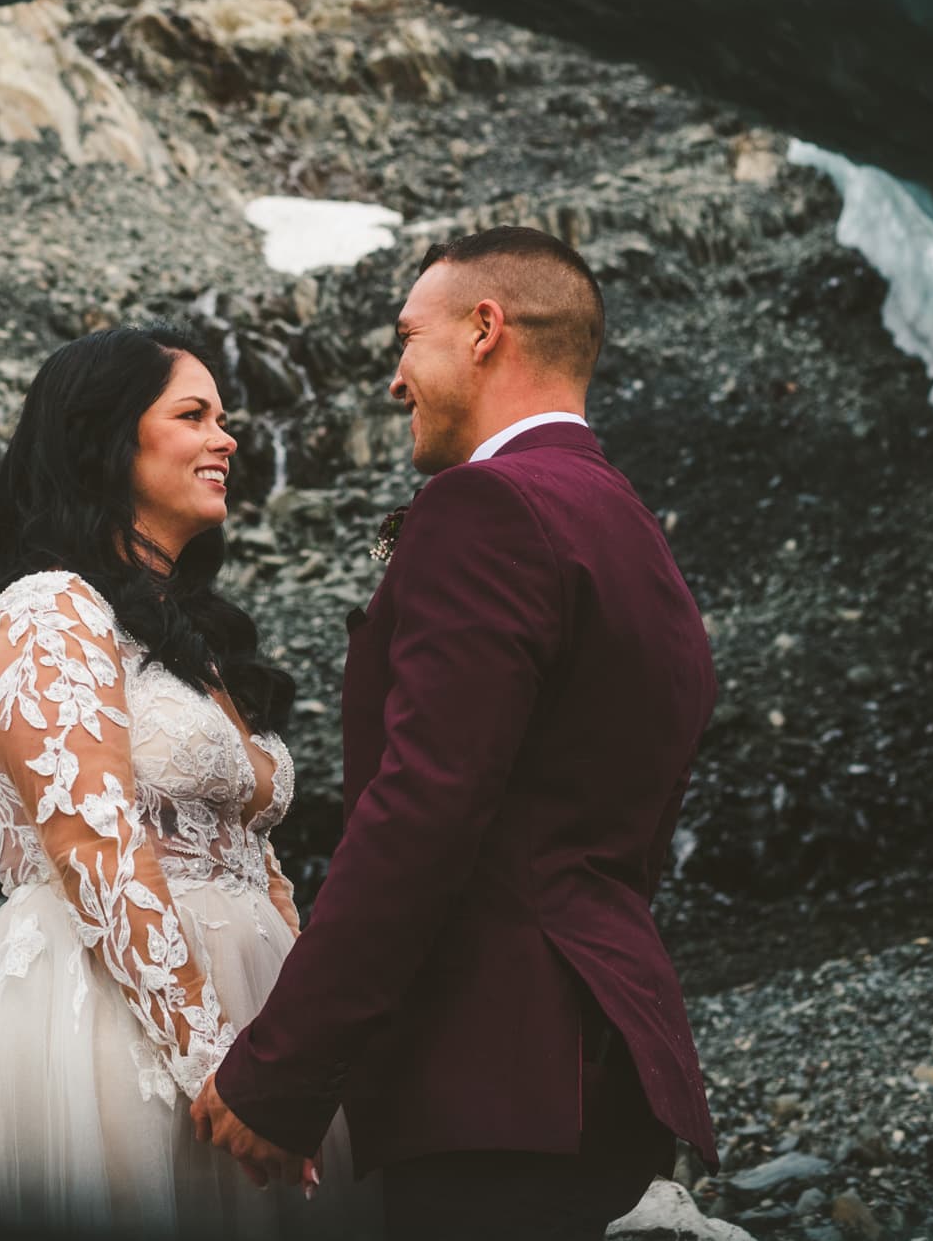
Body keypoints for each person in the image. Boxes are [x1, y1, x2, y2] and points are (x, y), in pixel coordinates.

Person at [192, 226, 721, 1240]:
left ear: (485, 330)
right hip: (603, 1051)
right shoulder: (624, 523)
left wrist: (283, 1074)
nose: (395, 381)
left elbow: (421, 811)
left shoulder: (484, 506)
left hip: (493, 1074)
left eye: (408, 339)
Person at [0, 326, 369, 1237]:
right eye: (194, 415)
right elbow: (95, 844)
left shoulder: (188, 635)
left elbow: (255, 853)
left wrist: (300, 1046)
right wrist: (215, 1065)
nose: (228, 439)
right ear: (105, 441)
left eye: (226, 418)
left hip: (255, 1013)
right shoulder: (47, 609)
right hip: (114, 1025)